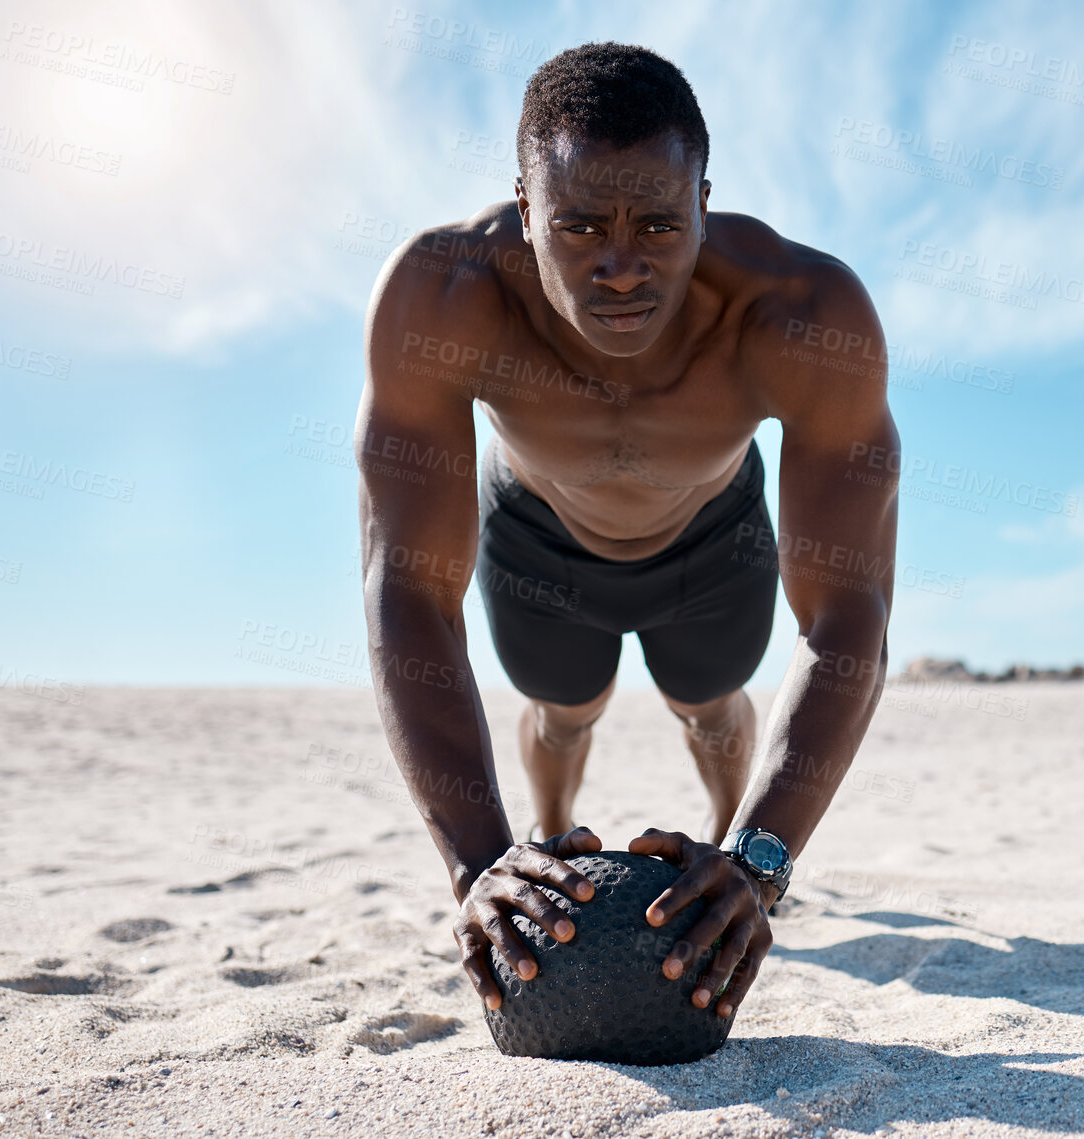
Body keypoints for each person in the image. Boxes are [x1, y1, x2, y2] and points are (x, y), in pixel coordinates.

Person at [355, 42, 898, 1021]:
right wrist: (481, 862)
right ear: (525, 208)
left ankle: (721, 834)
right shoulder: (443, 299)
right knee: (564, 710)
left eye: (657, 223)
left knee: (710, 700)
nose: (620, 267)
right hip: (536, 534)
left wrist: (758, 863)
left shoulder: (801, 314)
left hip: (712, 534)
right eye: (578, 226)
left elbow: (845, 614)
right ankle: (551, 833)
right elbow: (408, 587)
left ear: (703, 201)